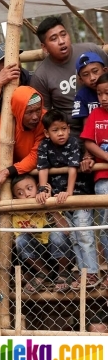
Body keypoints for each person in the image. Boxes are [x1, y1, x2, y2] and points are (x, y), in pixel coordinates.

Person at [36, 109, 98, 290]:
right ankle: (83, 274)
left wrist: (69, 192)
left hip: (78, 195)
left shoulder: (73, 142)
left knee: (84, 235)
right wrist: (42, 189)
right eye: (55, 130)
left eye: (64, 128)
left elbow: (72, 168)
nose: (61, 133)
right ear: (47, 133)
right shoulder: (44, 146)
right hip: (60, 197)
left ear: (69, 129)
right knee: (75, 238)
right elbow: (42, 168)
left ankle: (92, 274)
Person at [31, 16, 108, 138]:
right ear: (44, 47)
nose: (61, 41)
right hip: (72, 137)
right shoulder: (41, 76)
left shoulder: (91, 51)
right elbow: (45, 114)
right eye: (54, 38)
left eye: (63, 34)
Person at [10, 174, 73, 293]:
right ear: (15, 197)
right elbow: (17, 242)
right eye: (20, 193)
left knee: (57, 235)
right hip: (38, 259)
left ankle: (63, 272)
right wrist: (28, 233)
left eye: (29, 188)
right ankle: (43, 272)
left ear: (38, 188)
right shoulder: (17, 214)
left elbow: (66, 231)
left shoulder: (50, 202)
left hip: (61, 256)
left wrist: (51, 209)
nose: (27, 194)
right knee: (21, 239)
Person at [0, 86, 46, 194]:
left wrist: (7, 172)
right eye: (29, 112)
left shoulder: (44, 120)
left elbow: (36, 156)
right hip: (14, 178)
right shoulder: (3, 123)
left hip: (38, 174)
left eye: (38, 110)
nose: (35, 117)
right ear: (19, 110)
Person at [80, 73, 108, 288]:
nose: (103, 97)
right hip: (103, 177)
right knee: (106, 225)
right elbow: (88, 142)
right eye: (99, 93)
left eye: (107, 92)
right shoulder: (95, 114)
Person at [72, 52, 107, 124]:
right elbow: (87, 128)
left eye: (95, 71)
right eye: (85, 75)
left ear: (105, 71)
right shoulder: (82, 96)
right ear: (81, 80)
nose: (92, 78)